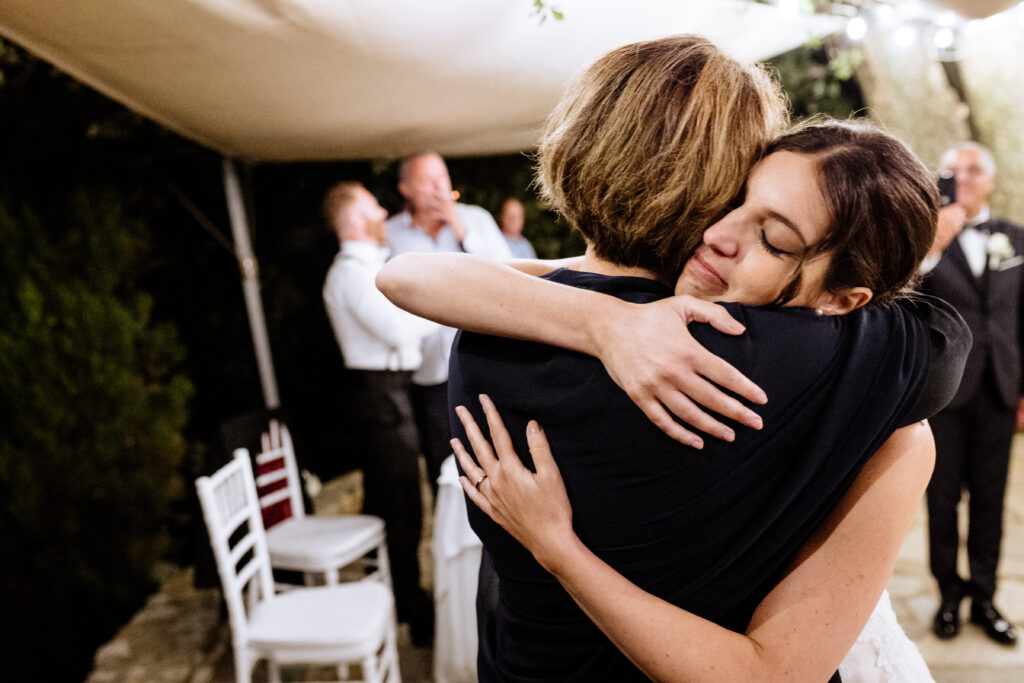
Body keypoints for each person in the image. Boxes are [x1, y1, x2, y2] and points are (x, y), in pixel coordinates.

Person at [378, 35, 967, 682]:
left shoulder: (485, 329)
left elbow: (409, 275)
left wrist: (595, 315)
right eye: (741, 197)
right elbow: (942, 341)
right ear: (717, 181)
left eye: (768, 231)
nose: (723, 232)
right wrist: (606, 322)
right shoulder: (777, 357)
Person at [321, 181, 438, 645]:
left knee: (400, 501)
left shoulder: (369, 265)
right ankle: (407, 607)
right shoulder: (350, 274)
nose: (382, 214)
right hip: (379, 396)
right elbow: (397, 328)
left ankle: (398, 596)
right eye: (372, 208)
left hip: (391, 391)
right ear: (352, 221)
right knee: (399, 505)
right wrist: (447, 305)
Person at [919, 141, 1023, 645]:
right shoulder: (925, 238)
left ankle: (985, 595)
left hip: (1001, 389)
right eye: (951, 170)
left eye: (973, 169)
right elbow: (905, 299)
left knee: (991, 497)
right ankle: (949, 596)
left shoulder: (1016, 238)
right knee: (941, 499)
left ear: (991, 179)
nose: (962, 177)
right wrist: (933, 246)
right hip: (944, 392)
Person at [386, 152, 512, 494]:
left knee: (494, 447)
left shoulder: (476, 219)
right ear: (406, 188)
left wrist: (461, 230)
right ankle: (449, 535)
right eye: (429, 181)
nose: (440, 188)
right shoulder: (390, 233)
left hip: (485, 354)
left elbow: (510, 274)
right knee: (442, 456)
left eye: (443, 178)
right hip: (427, 366)